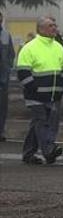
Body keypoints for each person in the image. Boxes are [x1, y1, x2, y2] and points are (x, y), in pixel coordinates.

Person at [15, 17, 63, 165]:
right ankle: (49, 149)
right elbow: (23, 72)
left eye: (55, 25)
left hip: (53, 95)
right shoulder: (30, 47)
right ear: (41, 29)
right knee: (42, 120)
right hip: (35, 95)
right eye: (50, 26)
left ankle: (28, 153)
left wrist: (61, 87)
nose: (54, 28)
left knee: (38, 123)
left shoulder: (58, 47)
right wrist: (34, 90)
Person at [0, 11, 15, 142]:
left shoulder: (5, 35)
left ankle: (1, 130)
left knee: (2, 106)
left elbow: (11, 53)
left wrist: (8, 67)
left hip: (3, 77)